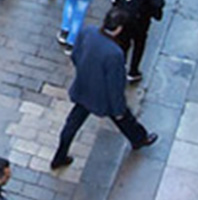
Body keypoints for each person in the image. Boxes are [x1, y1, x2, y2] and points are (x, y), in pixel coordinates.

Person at [50, 12, 159, 170]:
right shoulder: (114, 53)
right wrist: (119, 109)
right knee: (124, 118)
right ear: (119, 29)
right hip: (103, 96)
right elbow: (115, 87)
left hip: (84, 87)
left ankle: (59, 156)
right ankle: (139, 138)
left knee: (72, 124)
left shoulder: (88, 32)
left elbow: (75, 55)